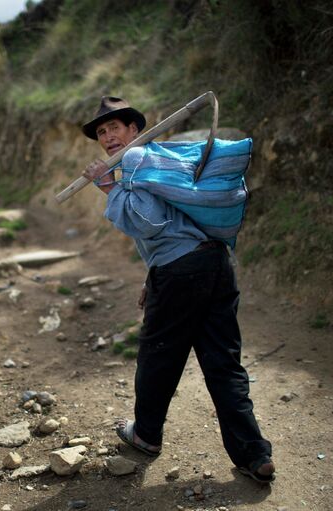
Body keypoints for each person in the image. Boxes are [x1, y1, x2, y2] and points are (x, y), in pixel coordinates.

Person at [81, 96, 275, 483]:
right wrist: (151, 278)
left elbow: (148, 222)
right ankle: (255, 455)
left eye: (114, 127)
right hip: (215, 265)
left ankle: (147, 435)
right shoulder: (163, 162)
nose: (107, 137)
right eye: (101, 132)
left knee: (157, 358)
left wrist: (109, 188)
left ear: (134, 129)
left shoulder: (137, 162)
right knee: (224, 364)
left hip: (183, 272)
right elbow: (179, 223)